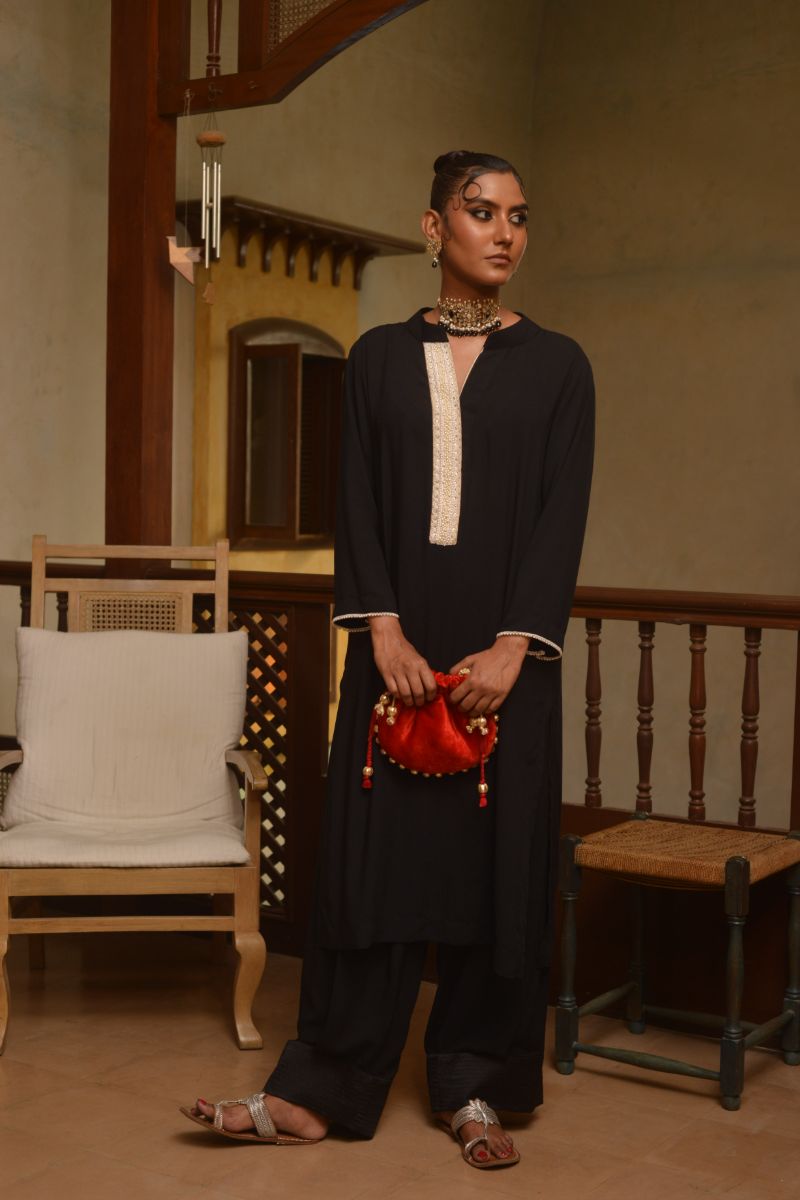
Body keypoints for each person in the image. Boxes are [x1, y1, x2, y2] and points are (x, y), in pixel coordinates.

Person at [182, 150, 594, 1170]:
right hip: (395, 656)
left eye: (518, 216)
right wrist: (383, 631)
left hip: (508, 667)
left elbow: (560, 518)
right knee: (372, 873)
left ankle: (476, 1085)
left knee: (496, 872)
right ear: (433, 228)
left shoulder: (558, 368)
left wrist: (514, 645)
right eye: (481, 211)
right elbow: (355, 503)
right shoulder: (374, 359)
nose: (503, 232)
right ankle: (320, 1086)